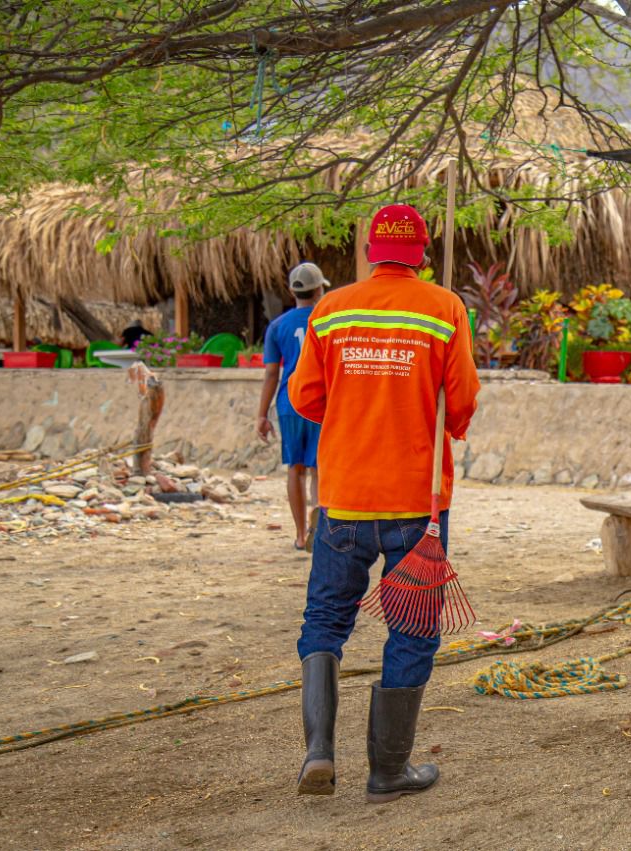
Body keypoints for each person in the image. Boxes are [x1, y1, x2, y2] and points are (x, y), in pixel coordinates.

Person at [288, 203, 480, 802]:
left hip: (343, 498)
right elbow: (464, 402)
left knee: (324, 620)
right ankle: (387, 772)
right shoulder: (444, 309)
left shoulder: (330, 308)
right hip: (416, 507)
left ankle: (320, 751)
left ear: (371, 251)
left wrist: (355, 411)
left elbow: (305, 398)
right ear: (421, 253)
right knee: (413, 631)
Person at [257, 262, 328, 551]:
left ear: (291, 291)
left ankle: (300, 535)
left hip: (289, 402)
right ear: (320, 289)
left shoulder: (277, 326)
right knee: (319, 467)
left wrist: (261, 414)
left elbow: (271, 373)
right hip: (323, 402)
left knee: (294, 468)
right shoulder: (327, 319)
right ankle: (320, 525)